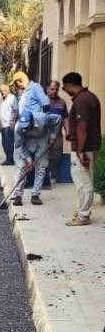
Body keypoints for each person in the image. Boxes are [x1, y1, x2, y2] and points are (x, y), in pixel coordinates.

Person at [61, 72, 101, 226]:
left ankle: (83, 216)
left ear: (71, 85)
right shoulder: (90, 97)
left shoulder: (82, 101)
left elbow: (82, 127)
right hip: (91, 145)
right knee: (85, 179)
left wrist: (80, 151)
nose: (64, 89)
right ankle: (83, 211)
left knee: (83, 181)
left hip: (85, 148)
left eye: (64, 86)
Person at [46, 80, 69, 184]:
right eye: (52, 89)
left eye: (56, 89)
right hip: (44, 134)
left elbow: (65, 118)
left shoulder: (62, 102)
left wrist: (68, 131)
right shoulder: (43, 101)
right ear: (47, 89)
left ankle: (53, 175)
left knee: (57, 155)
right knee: (43, 155)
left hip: (57, 135)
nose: (54, 91)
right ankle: (44, 176)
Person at [0, 84, 17, 165]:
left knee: (9, 143)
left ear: (8, 90)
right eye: (1, 91)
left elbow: (16, 110)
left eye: (4, 91)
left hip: (9, 125)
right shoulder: (3, 99)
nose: (2, 93)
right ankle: (8, 158)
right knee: (4, 143)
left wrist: (13, 122)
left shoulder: (12, 98)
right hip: (3, 125)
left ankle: (10, 160)